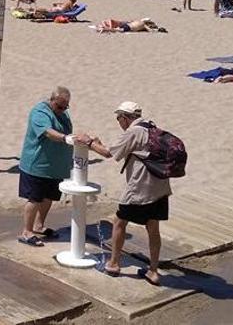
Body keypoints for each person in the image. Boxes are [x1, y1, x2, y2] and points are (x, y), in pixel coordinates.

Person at [88, 102, 171, 286]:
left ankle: (113, 264)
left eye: (119, 118)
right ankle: (154, 271)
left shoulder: (133, 132)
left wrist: (90, 143)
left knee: (119, 222)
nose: (119, 122)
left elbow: (109, 153)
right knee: (153, 226)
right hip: (160, 186)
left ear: (125, 117)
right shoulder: (152, 126)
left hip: (140, 188)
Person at [17, 87, 90, 247]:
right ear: (52, 100)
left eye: (65, 107)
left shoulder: (63, 113)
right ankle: (26, 232)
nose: (62, 110)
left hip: (55, 167)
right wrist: (66, 138)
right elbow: (48, 132)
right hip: (37, 165)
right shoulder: (40, 112)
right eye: (59, 106)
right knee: (34, 199)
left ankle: (38, 225)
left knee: (49, 197)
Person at [98, 18, 165, 33]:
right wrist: (157, 30)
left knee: (117, 29)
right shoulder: (144, 25)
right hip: (129, 27)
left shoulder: (138, 21)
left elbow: (129, 21)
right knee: (118, 30)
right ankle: (105, 29)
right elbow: (150, 30)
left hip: (128, 25)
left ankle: (104, 28)